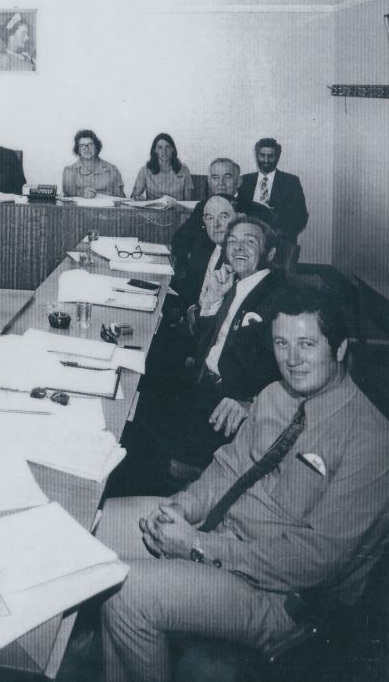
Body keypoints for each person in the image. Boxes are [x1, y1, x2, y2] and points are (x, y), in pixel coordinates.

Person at [99, 287, 389, 682]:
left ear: (338, 349)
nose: (292, 359)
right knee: (92, 527)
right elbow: (227, 470)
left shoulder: (370, 442)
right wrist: (183, 507)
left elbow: (314, 562)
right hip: (221, 534)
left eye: (307, 344)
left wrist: (196, 546)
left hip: (281, 594)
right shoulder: (274, 396)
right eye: (282, 343)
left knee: (125, 592)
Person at [113, 215, 285, 495]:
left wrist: (252, 403)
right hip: (202, 388)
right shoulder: (239, 284)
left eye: (250, 242)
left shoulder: (278, 299)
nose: (238, 248)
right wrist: (213, 301)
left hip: (224, 408)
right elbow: (207, 345)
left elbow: (289, 368)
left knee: (130, 435)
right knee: (131, 396)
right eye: (233, 241)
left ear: (271, 253)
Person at [237, 137, 309, 242]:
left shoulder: (291, 182)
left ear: (278, 157)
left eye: (270, 156)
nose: (266, 160)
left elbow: (301, 217)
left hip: (279, 241)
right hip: (248, 239)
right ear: (257, 156)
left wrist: (280, 233)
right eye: (262, 155)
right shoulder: (244, 180)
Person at [130, 133, 195, 201]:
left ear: (173, 149)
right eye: (160, 147)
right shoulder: (144, 171)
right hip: (153, 207)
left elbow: (188, 202)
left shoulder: (184, 170)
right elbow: (134, 198)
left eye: (167, 147)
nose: (164, 151)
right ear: (155, 150)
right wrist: (138, 198)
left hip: (176, 207)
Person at [62, 129, 124, 198]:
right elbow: (68, 197)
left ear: (97, 147)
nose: (87, 149)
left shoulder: (112, 170)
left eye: (90, 145)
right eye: (82, 146)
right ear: (78, 149)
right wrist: (81, 194)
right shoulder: (69, 171)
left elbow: (121, 199)